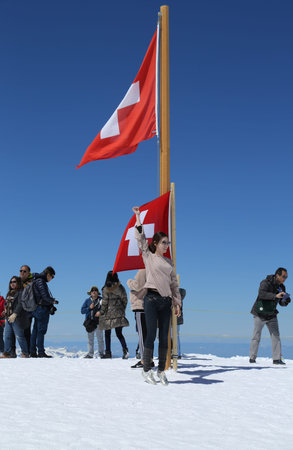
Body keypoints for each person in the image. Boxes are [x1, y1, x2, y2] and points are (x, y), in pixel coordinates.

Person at [133, 206, 181, 386]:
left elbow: (174, 284)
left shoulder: (169, 262)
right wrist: (138, 217)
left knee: (164, 338)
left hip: (166, 301)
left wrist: (177, 303)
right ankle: (146, 370)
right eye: (164, 243)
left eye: (168, 243)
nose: (166, 245)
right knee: (151, 335)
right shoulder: (149, 256)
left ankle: (161, 371)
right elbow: (141, 238)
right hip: (151, 300)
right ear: (156, 244)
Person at [249, 267, 290, 365]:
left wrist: (285, 301)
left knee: (276, 336)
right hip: (260, 313)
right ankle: (252, 358)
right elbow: (262, 294)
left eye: (286, 277)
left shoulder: (282, 287)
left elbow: (281, 303)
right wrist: (275, 296)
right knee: (256, 336)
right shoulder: (265, 282)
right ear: (277, 275)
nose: (285, 279)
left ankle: (277, 359)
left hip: (272, 314)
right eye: (283, 276)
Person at [99, 271, 129, 359]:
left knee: (107, 333)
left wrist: (102, 312)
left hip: (108, 313)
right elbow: (125, 299)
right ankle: (125, 350)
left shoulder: (105, 288)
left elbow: (104, 302)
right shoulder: (120, 287)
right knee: (119, 333)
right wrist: (122, 309)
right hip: (119, 312)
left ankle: (108, 353)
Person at [30, 266, 57, 358]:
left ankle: (33, 351)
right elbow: (44, 297)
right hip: (42, 309)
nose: (52, 279)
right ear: (48, 274)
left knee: (35, 330)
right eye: (52, 277)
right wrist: (53, 301)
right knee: (41, 331)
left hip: (35, 308)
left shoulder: (35, 280)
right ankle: (41, 352)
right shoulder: (41, 281)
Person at [1, 276, 29, 358]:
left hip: (17, 318)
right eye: (11, 282)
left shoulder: (21, 292)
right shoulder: (9, 293)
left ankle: (25, 353)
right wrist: (5, 311)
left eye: (14, 282)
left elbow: (20, 304)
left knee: (19, 336)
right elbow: (7, 305)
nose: (12, 283)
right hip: (8, 317)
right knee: (7, 336)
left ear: (18, 283)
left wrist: (15, 314)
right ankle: (7, 353)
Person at [81, 286, 104, 358]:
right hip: (89, 323)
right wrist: (89, 308)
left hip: (98, 322)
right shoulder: (87, 301)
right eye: (92, 290)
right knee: (90, 339)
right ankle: (90, 354)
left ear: (97, 292)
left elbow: (105, 308)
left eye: (95, 290)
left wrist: (100, 312)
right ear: (90, 293)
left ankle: (101, 353)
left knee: (100, 339)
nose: (94, 291)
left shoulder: (101, 300)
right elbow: (82, 311)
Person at [19, 265, 33, 353]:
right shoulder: (18, 281)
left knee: (26, 331)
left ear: (28, 273)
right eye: (21, 271)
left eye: (24, 271)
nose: (22, 273)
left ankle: (28, 351)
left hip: (27, 310)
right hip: (18, 310)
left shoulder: (31, 283)